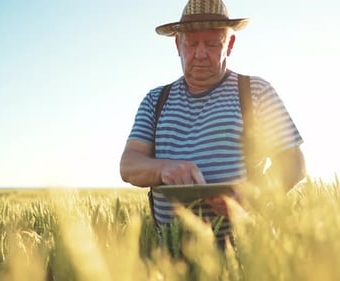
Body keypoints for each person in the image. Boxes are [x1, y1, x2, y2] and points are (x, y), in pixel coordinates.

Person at [120, 0, 306, 249]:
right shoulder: (155, 100)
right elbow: (129, 165)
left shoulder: (256, 92)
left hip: (243, 260)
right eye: (191, 43)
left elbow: (294, 163)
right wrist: (163, 168)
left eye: (211, 44)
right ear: (177, 44)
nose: (199, 54)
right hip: (171, 262)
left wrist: (254, 194)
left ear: (229, 45)